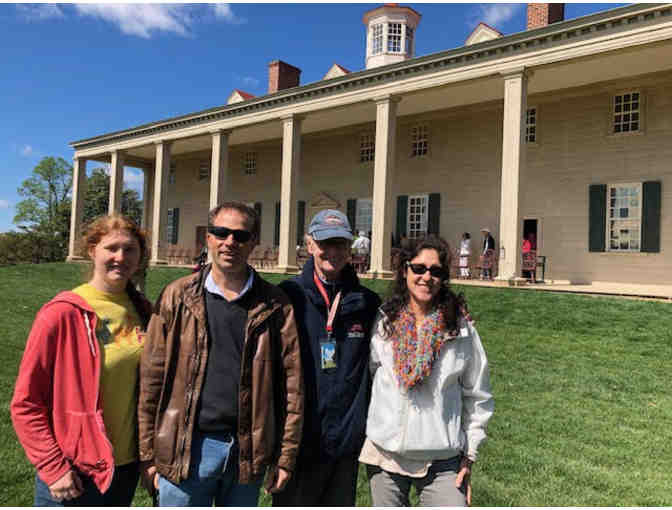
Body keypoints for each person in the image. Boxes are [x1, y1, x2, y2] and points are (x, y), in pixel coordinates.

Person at [138, 202, 304, 507]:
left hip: (246, 453)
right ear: (208, 238)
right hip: (186, 447)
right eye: (221, 232)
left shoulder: (276, 304)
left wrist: (285, 457)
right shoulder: (177, 296)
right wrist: (148, 456)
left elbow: (292, 387)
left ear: (254, 242)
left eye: (241, 235)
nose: (230, 242)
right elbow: (151, 379)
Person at [11, 214, 152, 506]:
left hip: (122, 468)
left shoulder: (144, 311)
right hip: (74, 470)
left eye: (130, 250)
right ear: (92, 251)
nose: (120, 257)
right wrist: (52, 467)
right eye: (111, 248)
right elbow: (26, 403)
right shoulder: (61, 313)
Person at [360, 236, 494, 507]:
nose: (427, 277)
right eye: (419, 268)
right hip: (385, 454)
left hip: (442, 460)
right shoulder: (384, 323)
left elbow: (478, 394)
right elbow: (373, 374)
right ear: (404, 270)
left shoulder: (460, 329)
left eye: (436, 271)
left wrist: (470, 453)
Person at [273, 209, 381, 506]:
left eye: (340, 244)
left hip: (346, 444)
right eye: (325, 243)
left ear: (350, 249)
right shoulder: (287, 297)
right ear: (309, 245)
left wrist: (451, 311)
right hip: (299, 441)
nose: (332, 251)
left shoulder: (368, 304)